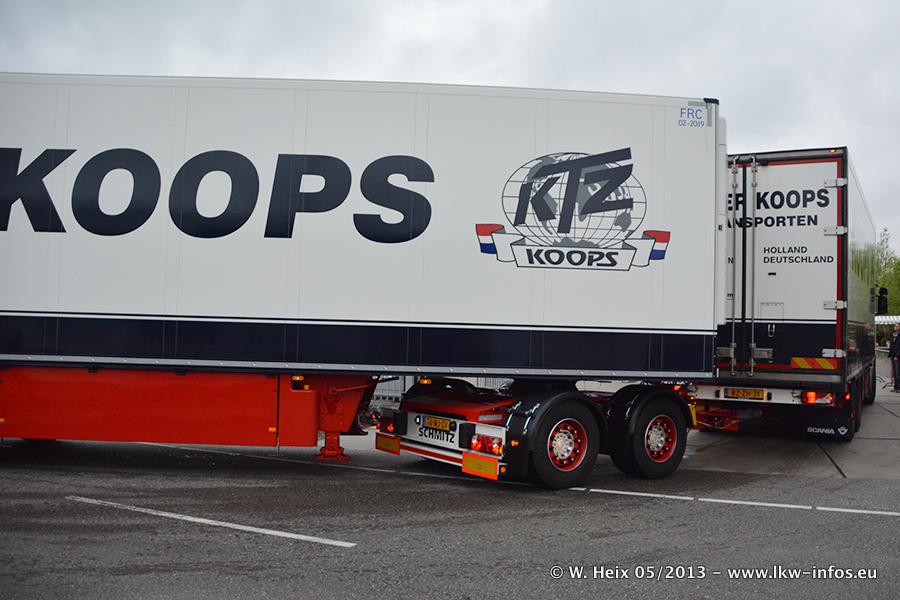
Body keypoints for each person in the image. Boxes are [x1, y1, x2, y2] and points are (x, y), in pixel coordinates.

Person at [889, 323, 900, 392]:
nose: (896, 327)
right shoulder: (893, 336)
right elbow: (891, 346)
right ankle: (895, 386)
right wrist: (890, 355)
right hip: (893, 356)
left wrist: (897, 356)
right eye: (895, 326)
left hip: (897, 357)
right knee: (895, 373)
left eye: (897, 326)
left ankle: (898, 387)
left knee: (898, 372)